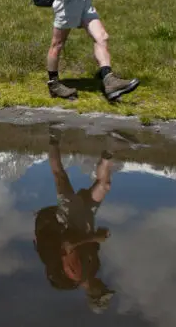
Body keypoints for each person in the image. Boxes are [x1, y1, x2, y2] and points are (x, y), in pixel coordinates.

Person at [33, 126, 116, 313]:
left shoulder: (76, 273)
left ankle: (53, 138)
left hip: (70, 219)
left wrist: (95, 238)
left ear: (93, 294)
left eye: (102, 291)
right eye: (106, 290)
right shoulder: (93, 268)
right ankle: (110, 149)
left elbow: (68, 244)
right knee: (104, 185)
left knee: (59, 175)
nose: (104, 286)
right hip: (87, 219)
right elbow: (89, 244)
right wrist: (96, 236)